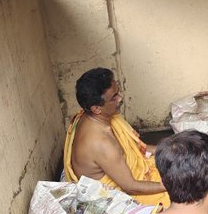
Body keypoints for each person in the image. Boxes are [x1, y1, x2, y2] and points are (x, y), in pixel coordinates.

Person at [63, 68, 169, 206]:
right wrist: (169, 186)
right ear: (96, 109)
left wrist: (170, 148)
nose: (120, 98)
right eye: (114, 97)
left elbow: (139, 147)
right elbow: (130, 186)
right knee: (183, 197)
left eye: (118, 92)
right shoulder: (102, 143)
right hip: (118, 192)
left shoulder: (97, 116)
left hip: (123, 171)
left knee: (177, 156)